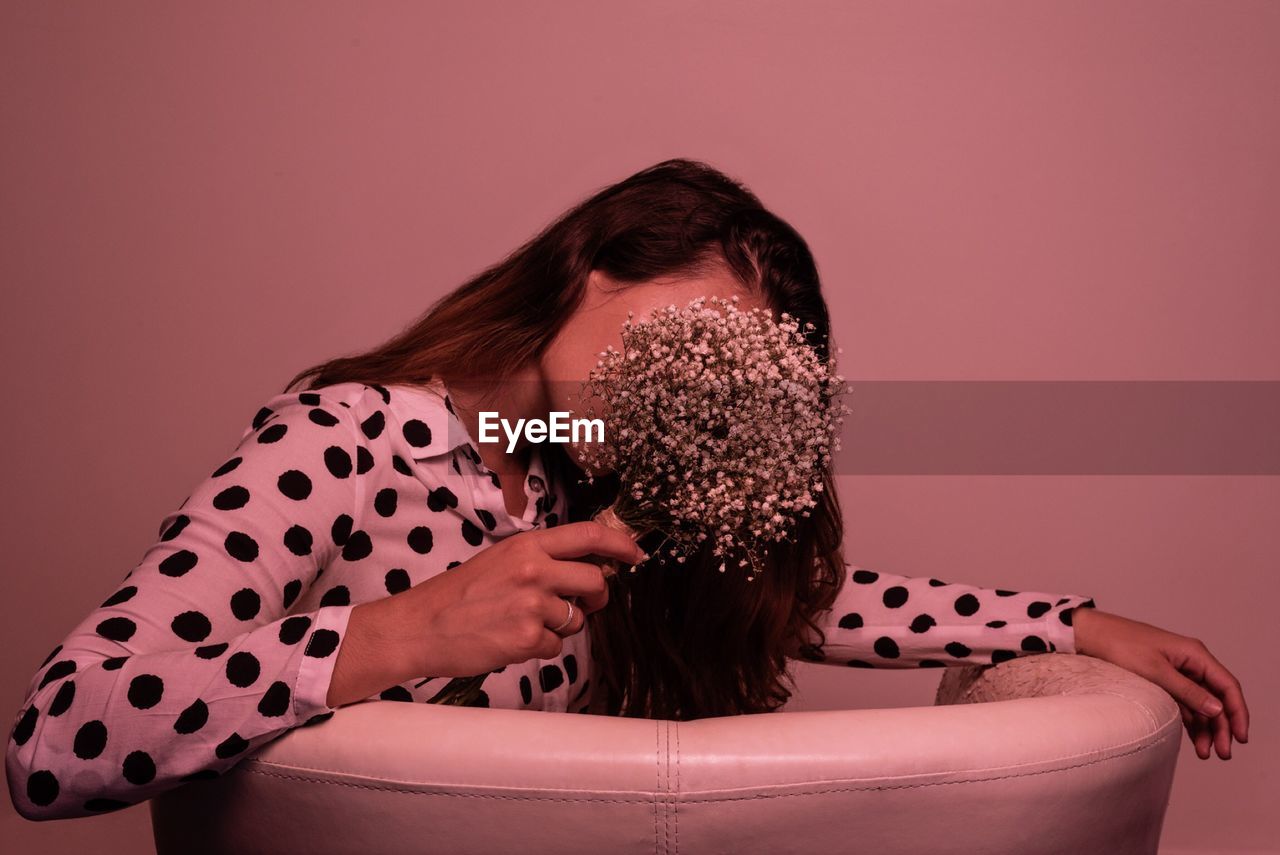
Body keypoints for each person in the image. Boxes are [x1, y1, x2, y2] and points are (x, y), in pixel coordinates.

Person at [7, 159, 1249, 821]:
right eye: (678, 339)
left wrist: (1065, 622)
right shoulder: (342, 437)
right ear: (590, 269)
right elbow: (58, 740)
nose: (685, 391)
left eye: (727, 375)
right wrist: (401, 633)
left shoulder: (567, 464)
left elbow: (799, 602)